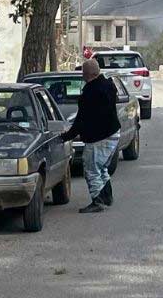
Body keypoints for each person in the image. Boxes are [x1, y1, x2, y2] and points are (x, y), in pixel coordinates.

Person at [57, 58, 121, 213]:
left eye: (83, 73)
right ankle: (107, 196)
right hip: (113, 134)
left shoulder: (90, 92)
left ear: (87, 74)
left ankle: (97, 200)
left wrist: (66, 136)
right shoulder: (108, 86)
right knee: (102, 167)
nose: (82, 75)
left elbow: (81, 120)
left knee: (91, 169)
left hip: (98, 138)